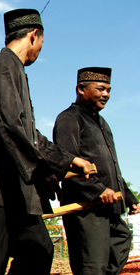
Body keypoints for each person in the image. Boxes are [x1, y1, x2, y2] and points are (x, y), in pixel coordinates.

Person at [0, 9, 93, 275]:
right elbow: (10, 127)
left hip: (15, 190)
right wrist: (52, 166)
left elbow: (28, 133)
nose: (40, 50)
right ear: (34, 35)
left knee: (39, 249)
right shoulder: (2, 64)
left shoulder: (14, 70)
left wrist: (59, 165)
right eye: (42, 42)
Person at [53, 67, 140, 275]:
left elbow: (112, 166)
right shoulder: (69, 119)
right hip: (87, 208)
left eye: (109, 90)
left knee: (121, 241)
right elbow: (67, 164)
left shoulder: (103, 123)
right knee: (92, 266)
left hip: (110, 206)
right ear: (82, 88)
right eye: (101, 89)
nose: (106, 95)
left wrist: (127, 196)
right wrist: (97, 190)